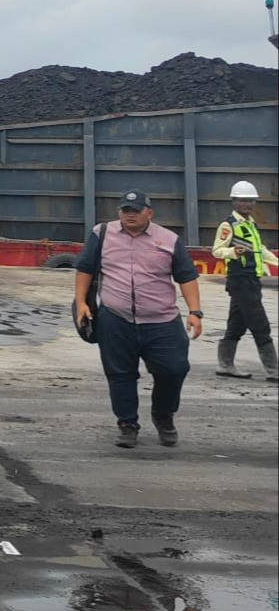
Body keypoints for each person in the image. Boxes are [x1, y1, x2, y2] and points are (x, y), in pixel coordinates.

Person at [74, 190, 203, 449]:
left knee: (174, 369)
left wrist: (195, 312)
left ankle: (163, 415)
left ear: (149, 213)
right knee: (120, 374)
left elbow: (186, 276)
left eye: (136, 210)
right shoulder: (102, 234)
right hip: (116, 318)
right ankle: (127, 424)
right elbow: (85, 268)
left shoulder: (168, 239)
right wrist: (80, 302)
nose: (129, 215)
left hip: (162, 321)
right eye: (125, 210)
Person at [211, 180, 278, 381]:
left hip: (251, 281)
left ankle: (225, 365)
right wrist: (232, 251)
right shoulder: (228, 225)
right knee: (260, 324)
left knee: (237, 324)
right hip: (240, 281)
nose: (247, 204)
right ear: (234, 201)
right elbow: (216, 250)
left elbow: (260, 251)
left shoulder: (250, 225)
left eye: (251, 201)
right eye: (243, 201)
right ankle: (274, 370)